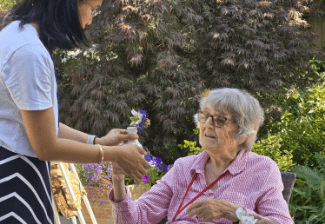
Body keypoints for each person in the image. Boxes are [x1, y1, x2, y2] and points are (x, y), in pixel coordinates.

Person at [0, 0, 150, 223]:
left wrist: (97, 141)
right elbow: (46, 146)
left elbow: (40, 125)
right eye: (93, 9)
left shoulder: (17, 35)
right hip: (15, 180)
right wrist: (115, 154)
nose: (90, 20)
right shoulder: (29, 52)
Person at [109, 88, 294, 224]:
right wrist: (118, 180)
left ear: (243, 134)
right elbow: (136, 218)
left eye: (220, 120)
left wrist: (236, 213)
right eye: (205, 116)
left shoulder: (261, 170)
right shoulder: (184, 167)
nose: (207, 125)